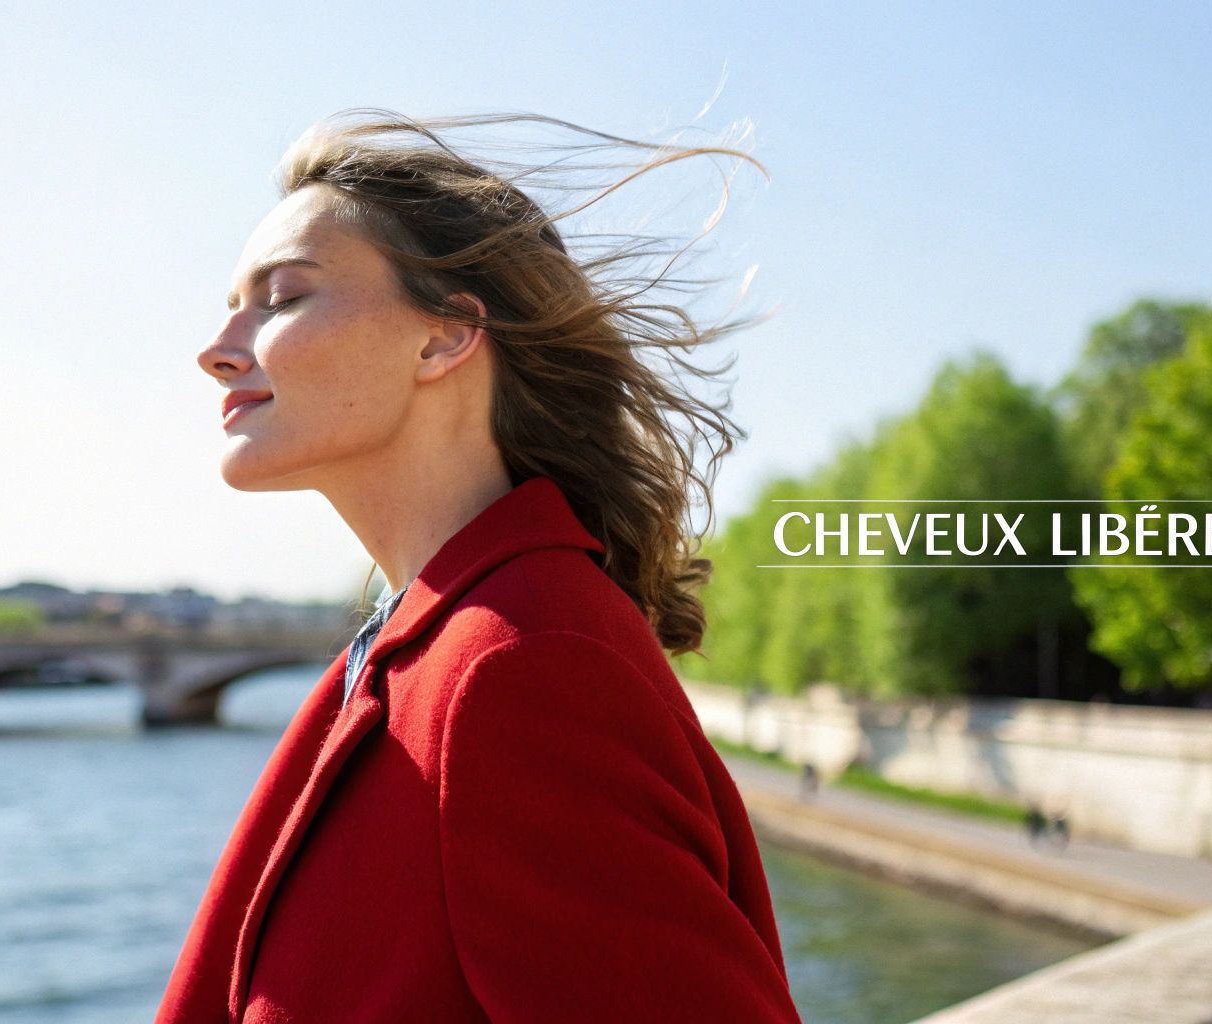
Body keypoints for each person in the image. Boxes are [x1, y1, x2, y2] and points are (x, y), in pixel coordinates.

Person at [159, 108, 796, 1023]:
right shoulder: (440, 641)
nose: (219, 349)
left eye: (284, 297)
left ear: (445, 337)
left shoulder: (517, 667)